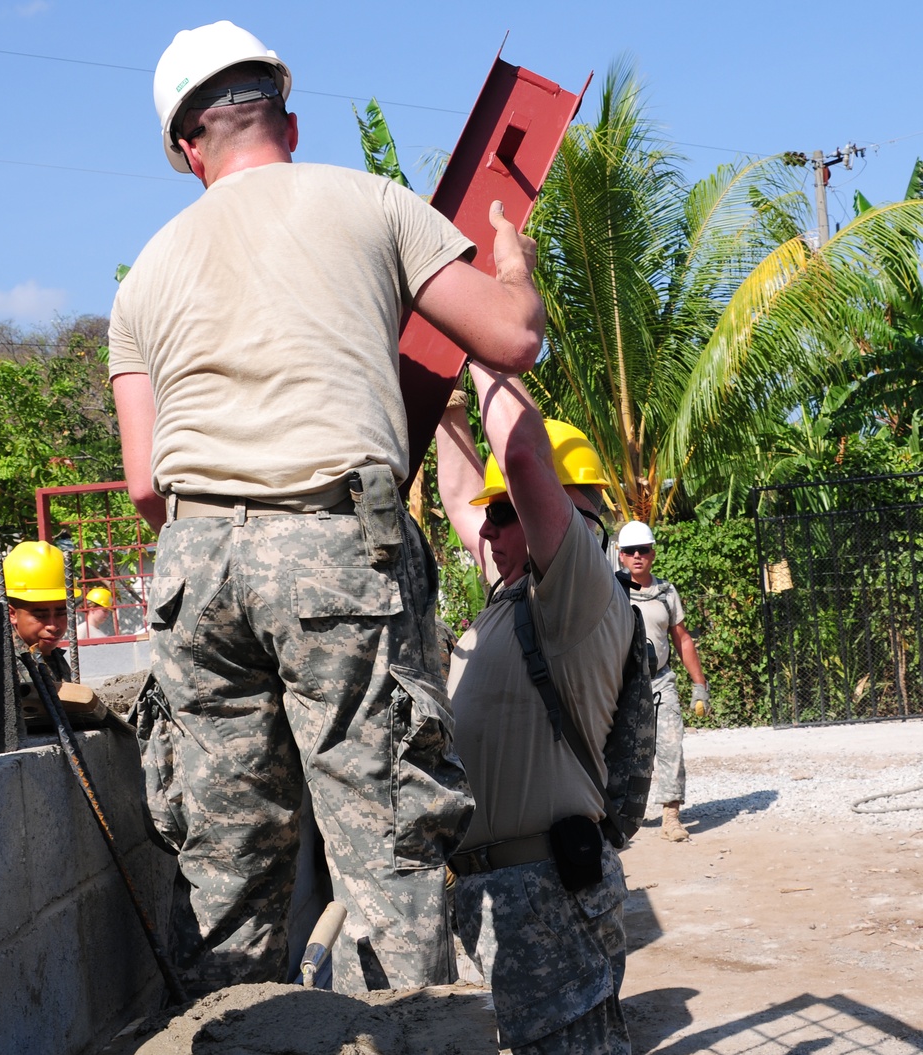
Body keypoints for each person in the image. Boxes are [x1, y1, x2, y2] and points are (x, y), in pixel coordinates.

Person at [107, 20, 544, 995]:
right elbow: (509, 337)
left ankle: (233, 1023)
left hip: (193, 566)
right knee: (384, 836)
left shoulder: (142, 279)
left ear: (188, 147)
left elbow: (145, 485)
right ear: (287, 122)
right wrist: (510, 259)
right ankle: (409, 1022)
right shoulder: (369, 203)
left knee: (224, 859)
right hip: (335, 540)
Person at [436, 364, 634, 1055]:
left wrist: (490, 331)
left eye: (505, 512)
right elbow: (465, 496)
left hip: (544, 893)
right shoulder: (514, 597)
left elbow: (520, 455)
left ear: (568, 508)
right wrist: (447, 404)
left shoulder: (578, 590)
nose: (485, 530)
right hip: (499, 895)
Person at [616, 521, 710, 843]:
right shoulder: (610, 592)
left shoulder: (666, 593)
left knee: (671, 746)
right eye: (630, 551)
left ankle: (671, 815)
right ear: (621, 556)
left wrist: (700, 685)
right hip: (620, 687)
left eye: (643, 550)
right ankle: (614, 817)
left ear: (653, 553)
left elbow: (683, 640)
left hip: (660, 682)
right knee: (618, 752)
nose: (637, 556)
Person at [4, 540, 80, 722]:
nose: (53, 625)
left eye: (61, 613)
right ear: (12, 614)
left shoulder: (52, 658)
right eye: (41, 615)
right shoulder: (3, 664)